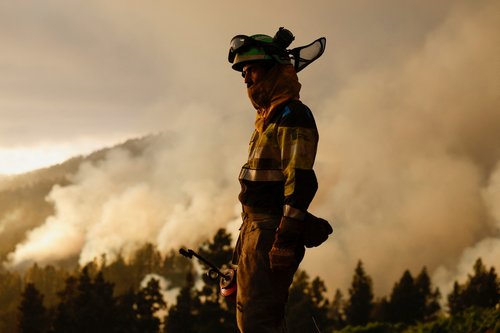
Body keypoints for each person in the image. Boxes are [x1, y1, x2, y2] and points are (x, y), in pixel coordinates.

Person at [228, 28, 325, 332]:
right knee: (250, 316)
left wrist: (284, 239)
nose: (246, 79)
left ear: (274, 70)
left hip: (271, 232)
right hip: (254, 230)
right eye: (243, 71)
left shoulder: (292, 115)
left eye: (251, 69)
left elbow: (300, 182)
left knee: (258, 322)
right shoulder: (266, 120)